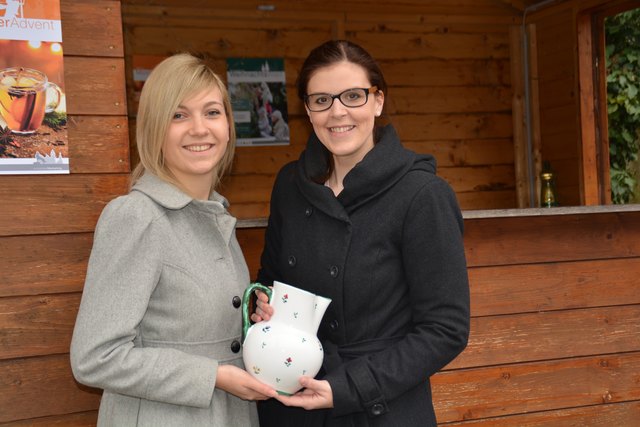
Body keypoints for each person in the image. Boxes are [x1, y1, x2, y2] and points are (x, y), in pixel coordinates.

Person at [252, 40, 470, 426]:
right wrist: (264, 307)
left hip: (380, 407)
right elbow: (270, 279)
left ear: (378, 101)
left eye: (353, 96)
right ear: (307, 110)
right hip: (293, 401)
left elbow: (445, 330)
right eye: (321, 100)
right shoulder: (290, 184)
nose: (338, 112)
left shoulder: (422, 195)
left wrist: (350, 387)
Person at [70, 53, 276, 427]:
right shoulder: (135, 217)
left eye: (212, 112)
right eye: (179, 115)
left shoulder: (215, 215)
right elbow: (95, 357)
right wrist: (214, 375)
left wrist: (249, 319)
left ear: (229, 126)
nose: (200, 128)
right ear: (154, 128)